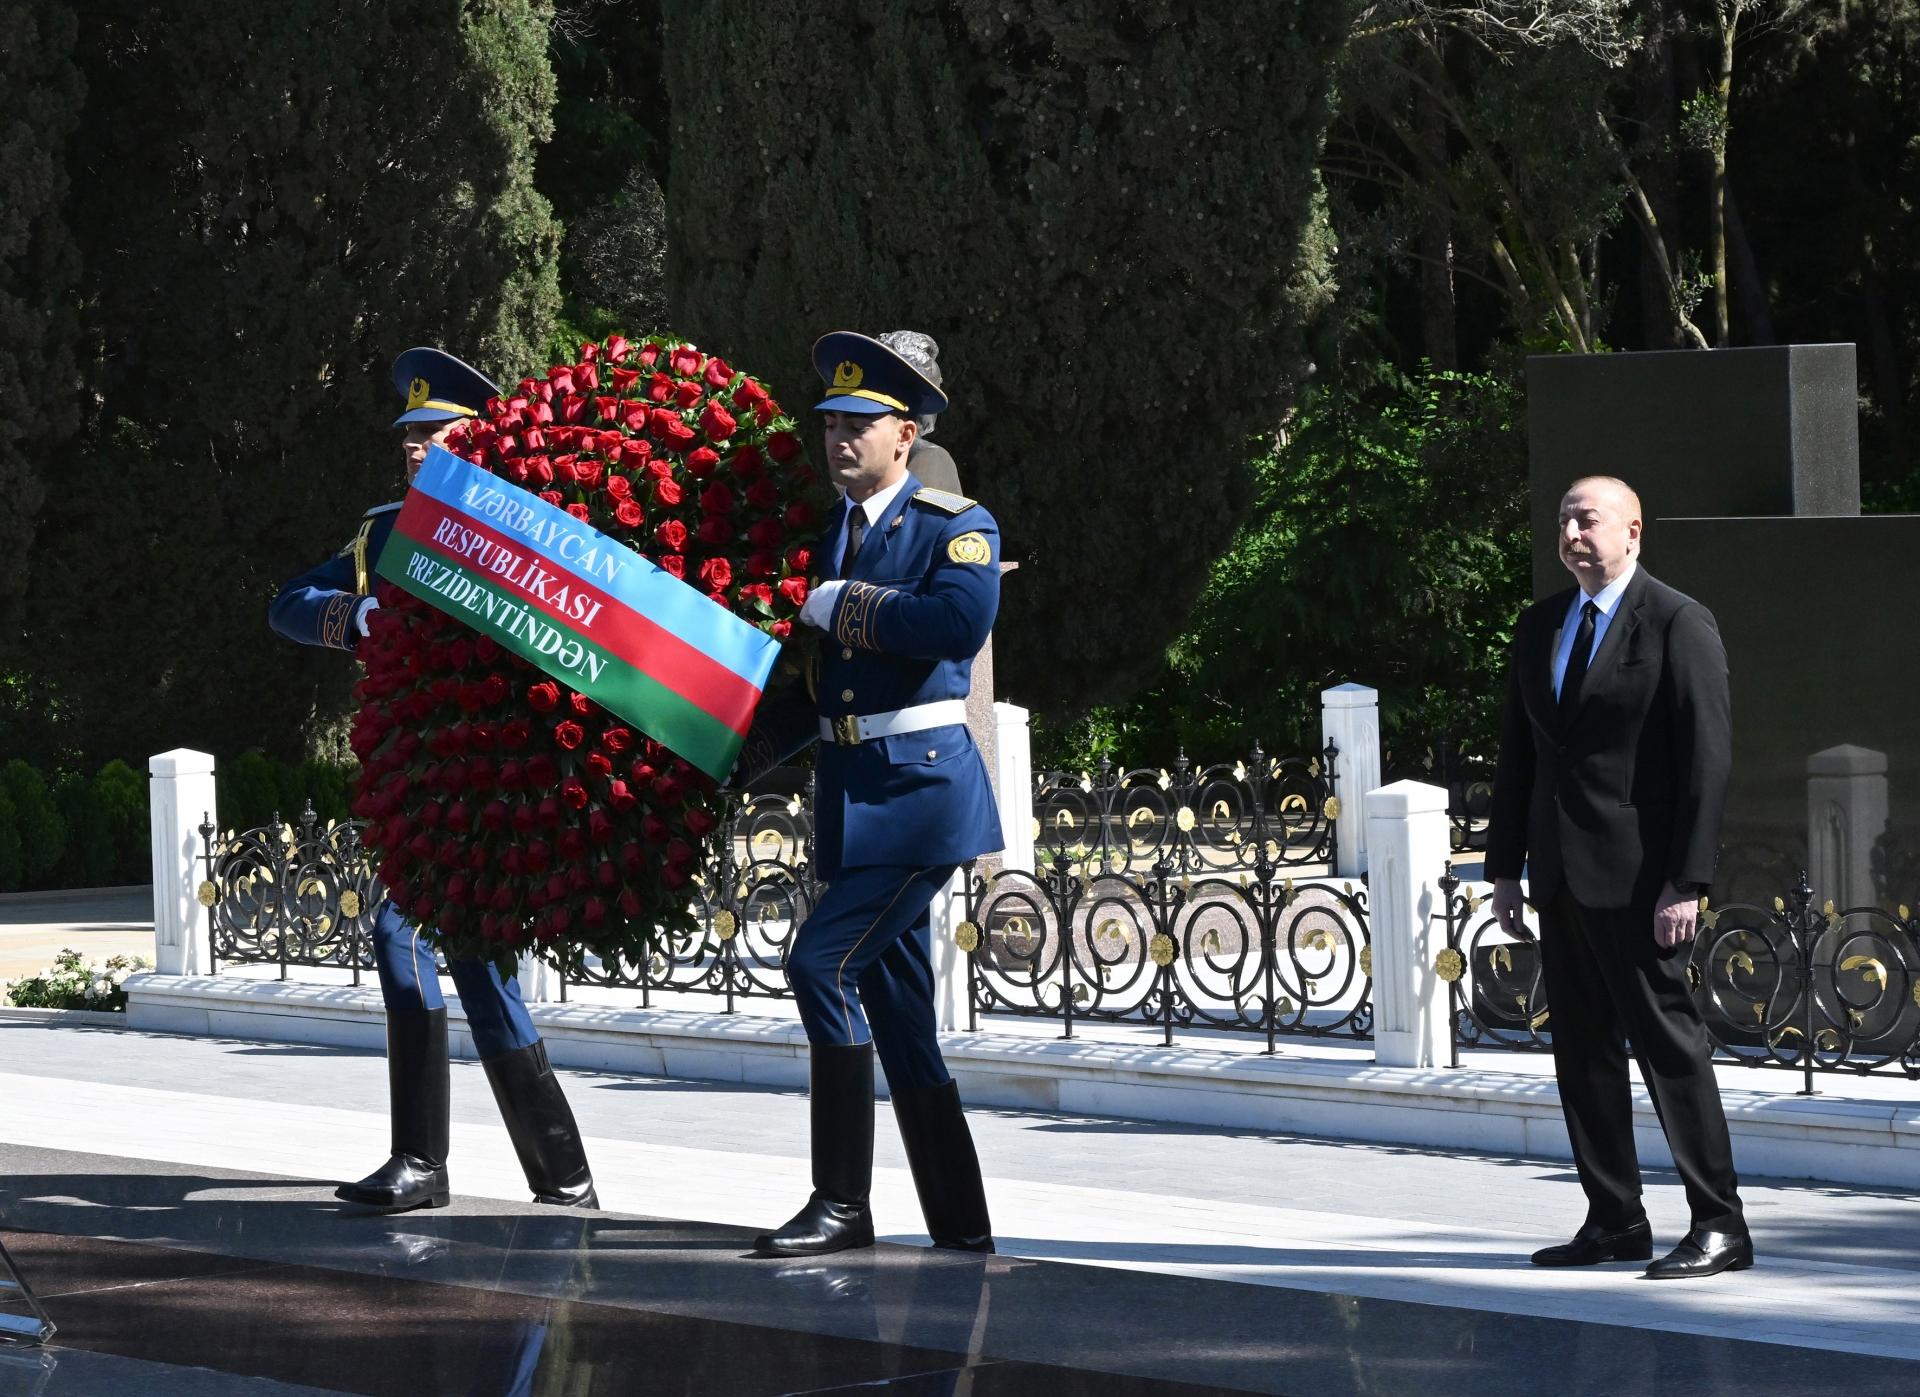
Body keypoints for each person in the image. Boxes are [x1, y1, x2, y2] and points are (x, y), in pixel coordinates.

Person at [270, 347, 598, 1214]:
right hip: (420, 785)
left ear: (478, 436)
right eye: (408, 436)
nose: (416, 449)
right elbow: (287, 602)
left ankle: (436, 1161)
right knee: (474, 967)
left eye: (434, 432)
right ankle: (555, 1178)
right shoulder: (383, 532)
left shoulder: (519, 526)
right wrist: (354, 614)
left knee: (409, 936)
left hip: (491, 778)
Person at [733, 331, 1002, 1257]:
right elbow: (817, 695)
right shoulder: (830, 537)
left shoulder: (953, 523)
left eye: (859, 422)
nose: (838, 436)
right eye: (831, 422)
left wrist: (843, 604)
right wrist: (727, 761)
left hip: (923, 799)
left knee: (819, 965)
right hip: (853, 799)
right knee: (899, 1017)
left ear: (907, 431)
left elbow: (959, 623)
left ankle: (842, 1203)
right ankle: (962, 1227)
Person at [1487, 475, 1750, 1279]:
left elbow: (1707, 760)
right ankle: (1614, 1217)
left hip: (1643, 884)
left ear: (1633, 531)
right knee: (1583, 1053)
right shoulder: (1540, 627)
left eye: (1587, 518)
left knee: (1671, 1050)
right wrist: (1505, 870)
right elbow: (1521, 758)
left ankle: (1719, 1223)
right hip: (1561, 877)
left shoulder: (1677, 621)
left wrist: (1688, 881)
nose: (1572, 531)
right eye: (1564, 518)